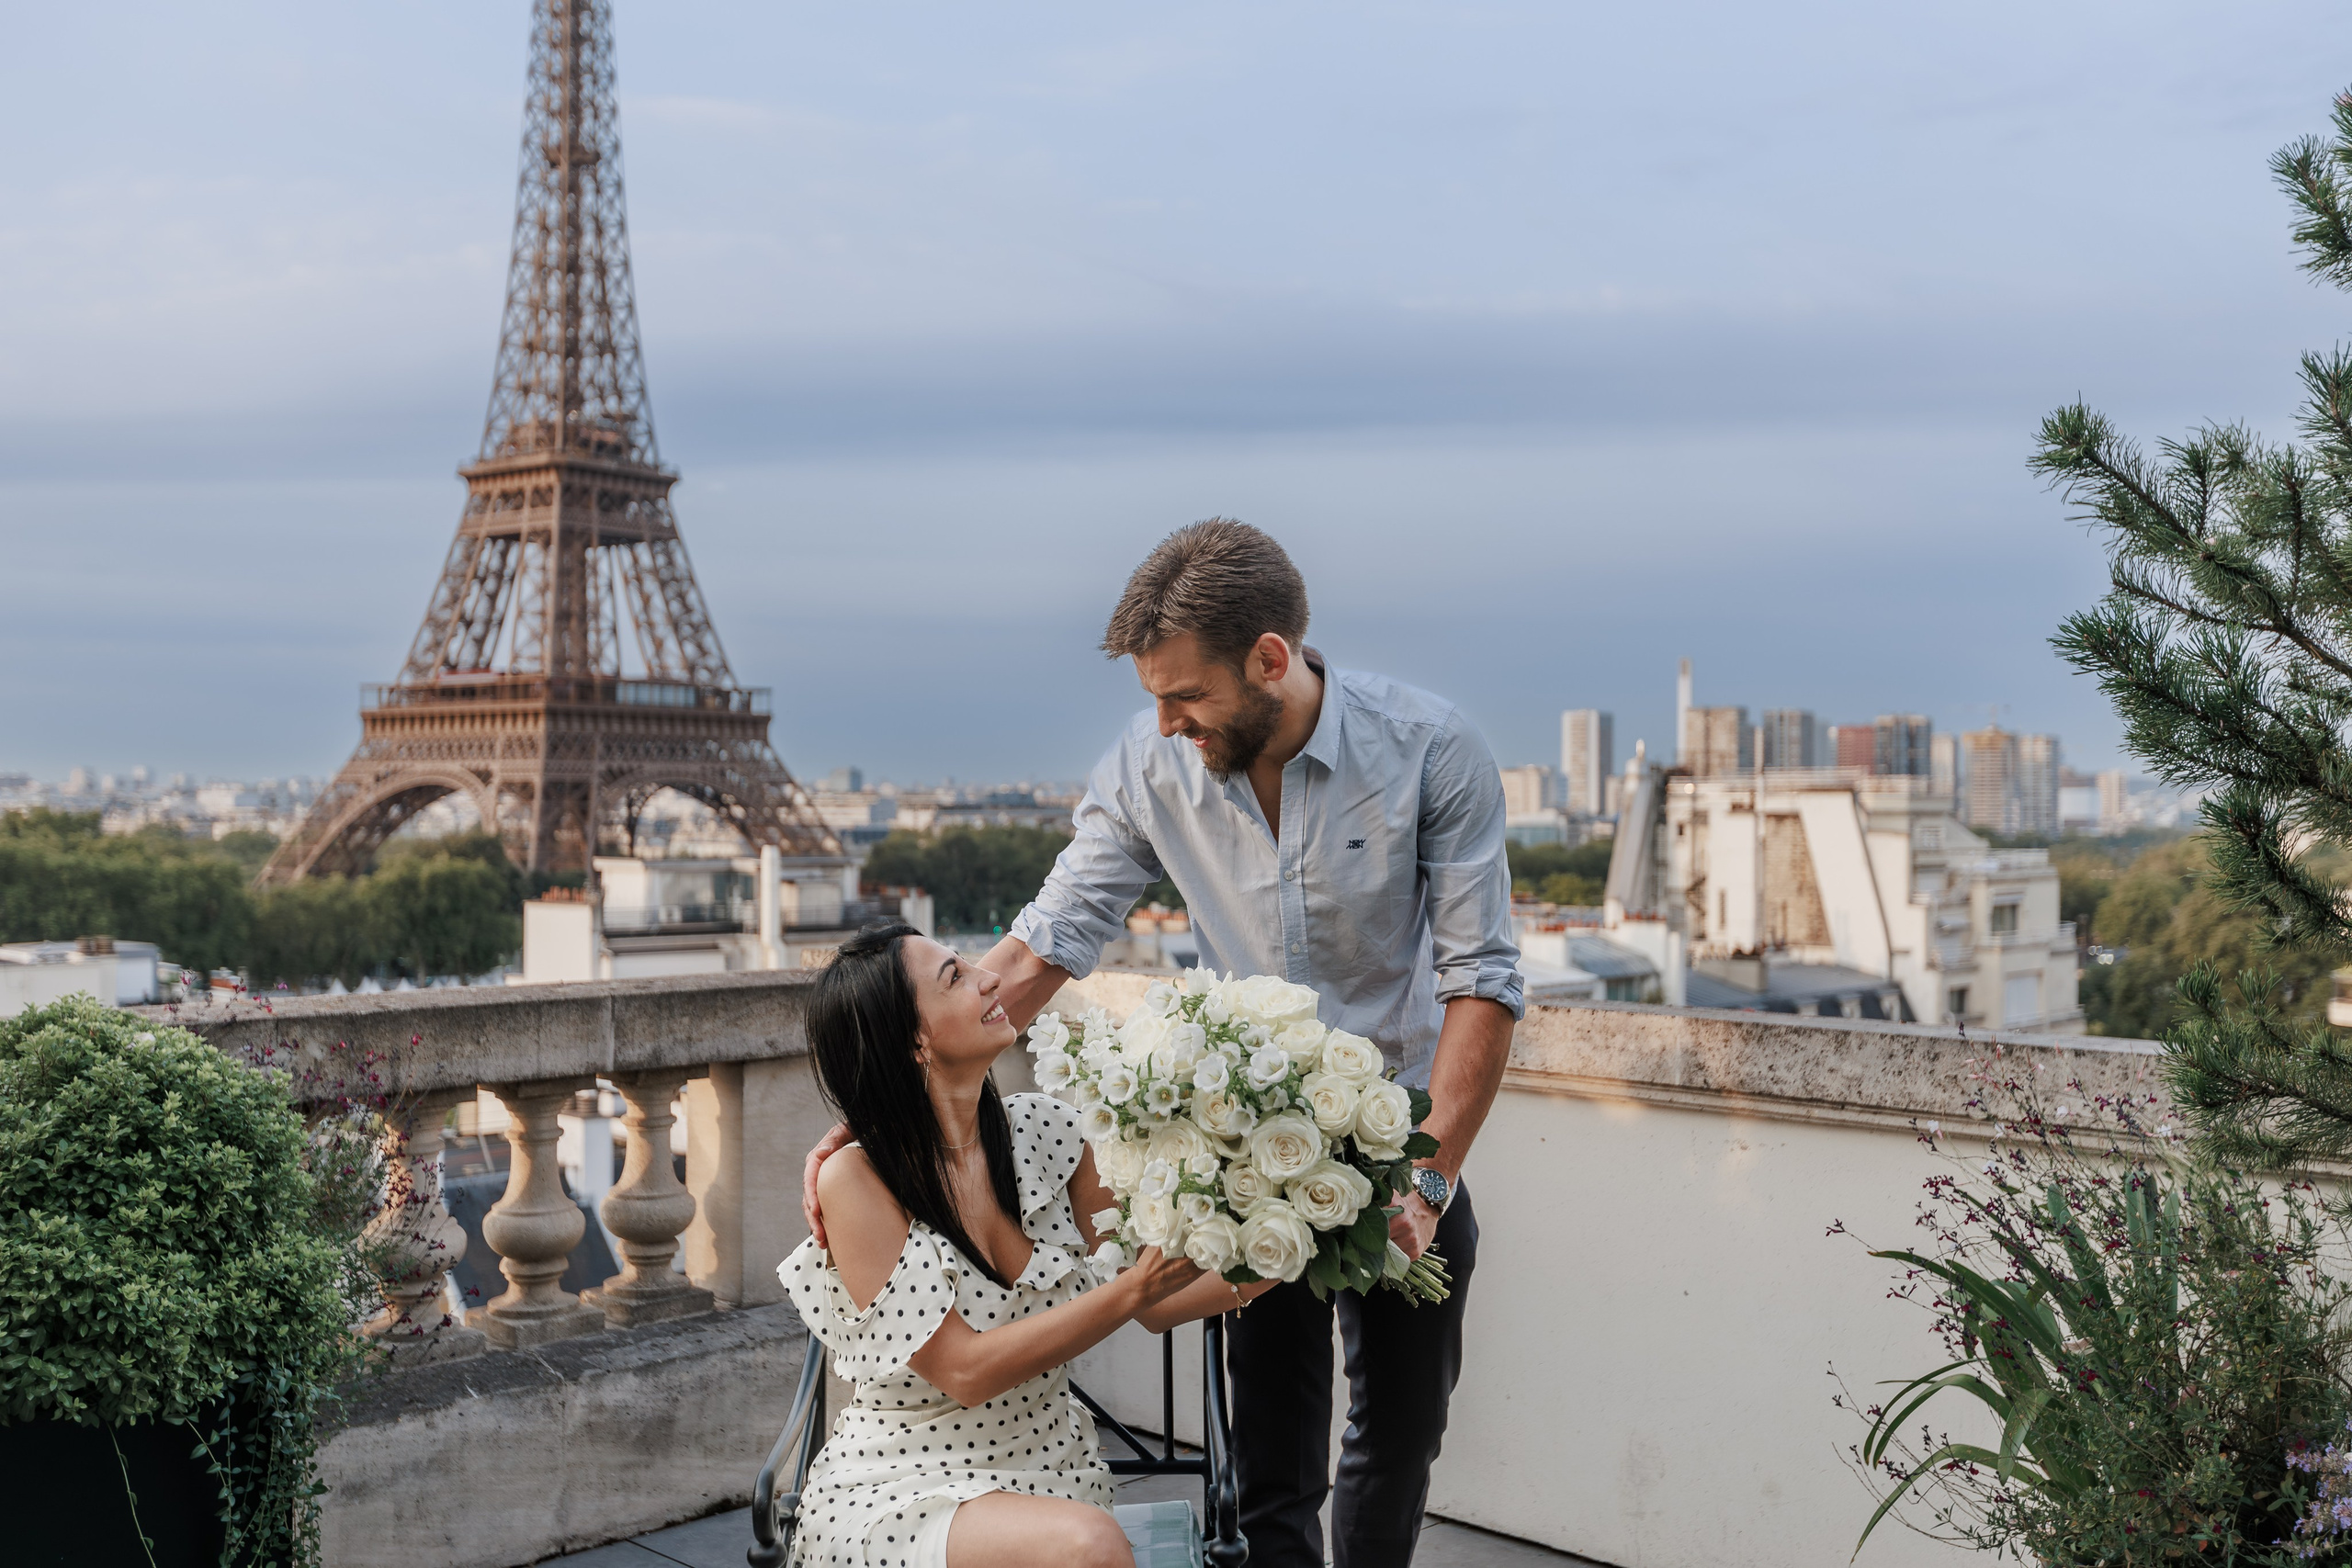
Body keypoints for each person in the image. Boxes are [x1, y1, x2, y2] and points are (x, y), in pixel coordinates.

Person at [804, 520, 1522, 1568]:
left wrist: (1426, 1180)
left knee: (1402, 1433)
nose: (1164, 721)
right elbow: (1051, 937)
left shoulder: (1431, 748)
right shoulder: (1151, 767)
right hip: (1246, 1162)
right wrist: (877, 1105)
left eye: (1184, 696)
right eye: (1151, 696)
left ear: (1269, 660)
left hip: (1404, 1135)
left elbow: (1482, 984)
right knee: (1273, 1454)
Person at [780, 919, 1273, 1568]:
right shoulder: (855, 1179)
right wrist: (1128, 1290)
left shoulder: (1047, 1129)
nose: (990, 976)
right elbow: (963, 1370)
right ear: (913, 1041)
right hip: (907, 1484)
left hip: (1051, 1466)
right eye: (955, 976)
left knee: (1087, 1537)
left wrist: (1299, 1249)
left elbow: (1156, 1300)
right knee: (1091, 1544)